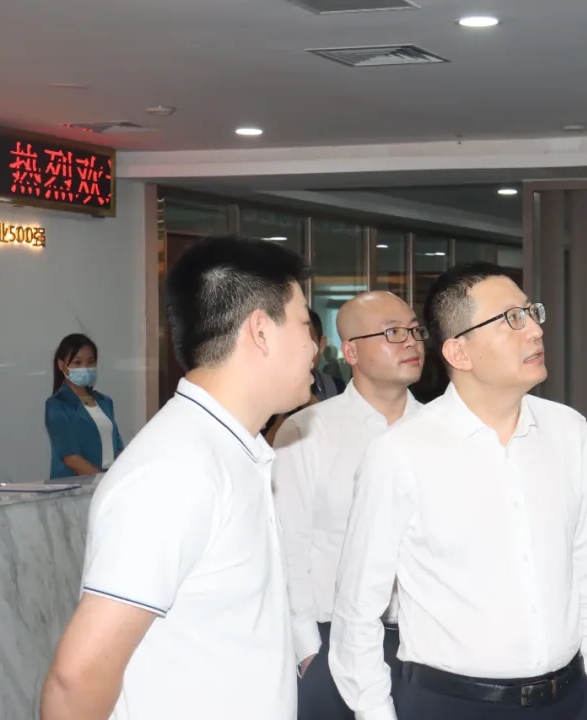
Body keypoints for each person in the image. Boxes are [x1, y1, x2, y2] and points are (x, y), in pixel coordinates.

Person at [40, 235, 315, 720]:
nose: (314, 346)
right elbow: (76, 680)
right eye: (304, 326)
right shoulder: (177, 469)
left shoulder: (228, 450)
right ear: (260, 331)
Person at [329, 262, 587, 720]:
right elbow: (357, 610)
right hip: (453, 704)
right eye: (511, 319)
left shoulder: (568, 431)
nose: (535, 330)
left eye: (531, 312)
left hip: (571, 697)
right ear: (458, 352)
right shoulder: (400, 452)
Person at [273, 290, 427, 719]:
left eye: (415, 331)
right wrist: (309, 651)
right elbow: (289, 547)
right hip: (333, 641)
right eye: (392, 333)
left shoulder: (440, 431)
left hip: (426, 646)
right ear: (352, 352)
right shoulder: (308, 430)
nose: (411, 342)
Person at [45, 333, 124, 479]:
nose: (85, 368)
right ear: (62, 365)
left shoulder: (105, 402)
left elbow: (118, 447)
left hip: (106, 481)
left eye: (90, 362)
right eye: (77, 362)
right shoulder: (56, 405)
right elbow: (71, 458)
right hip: (74, 486)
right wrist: (103, 480)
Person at [263, 307, 346, 444]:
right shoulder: (261, 392)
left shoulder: (337, 389)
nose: (300, 350)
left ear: (321, 344)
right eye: (289, 341)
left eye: (307, 340)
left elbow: (342, 441)